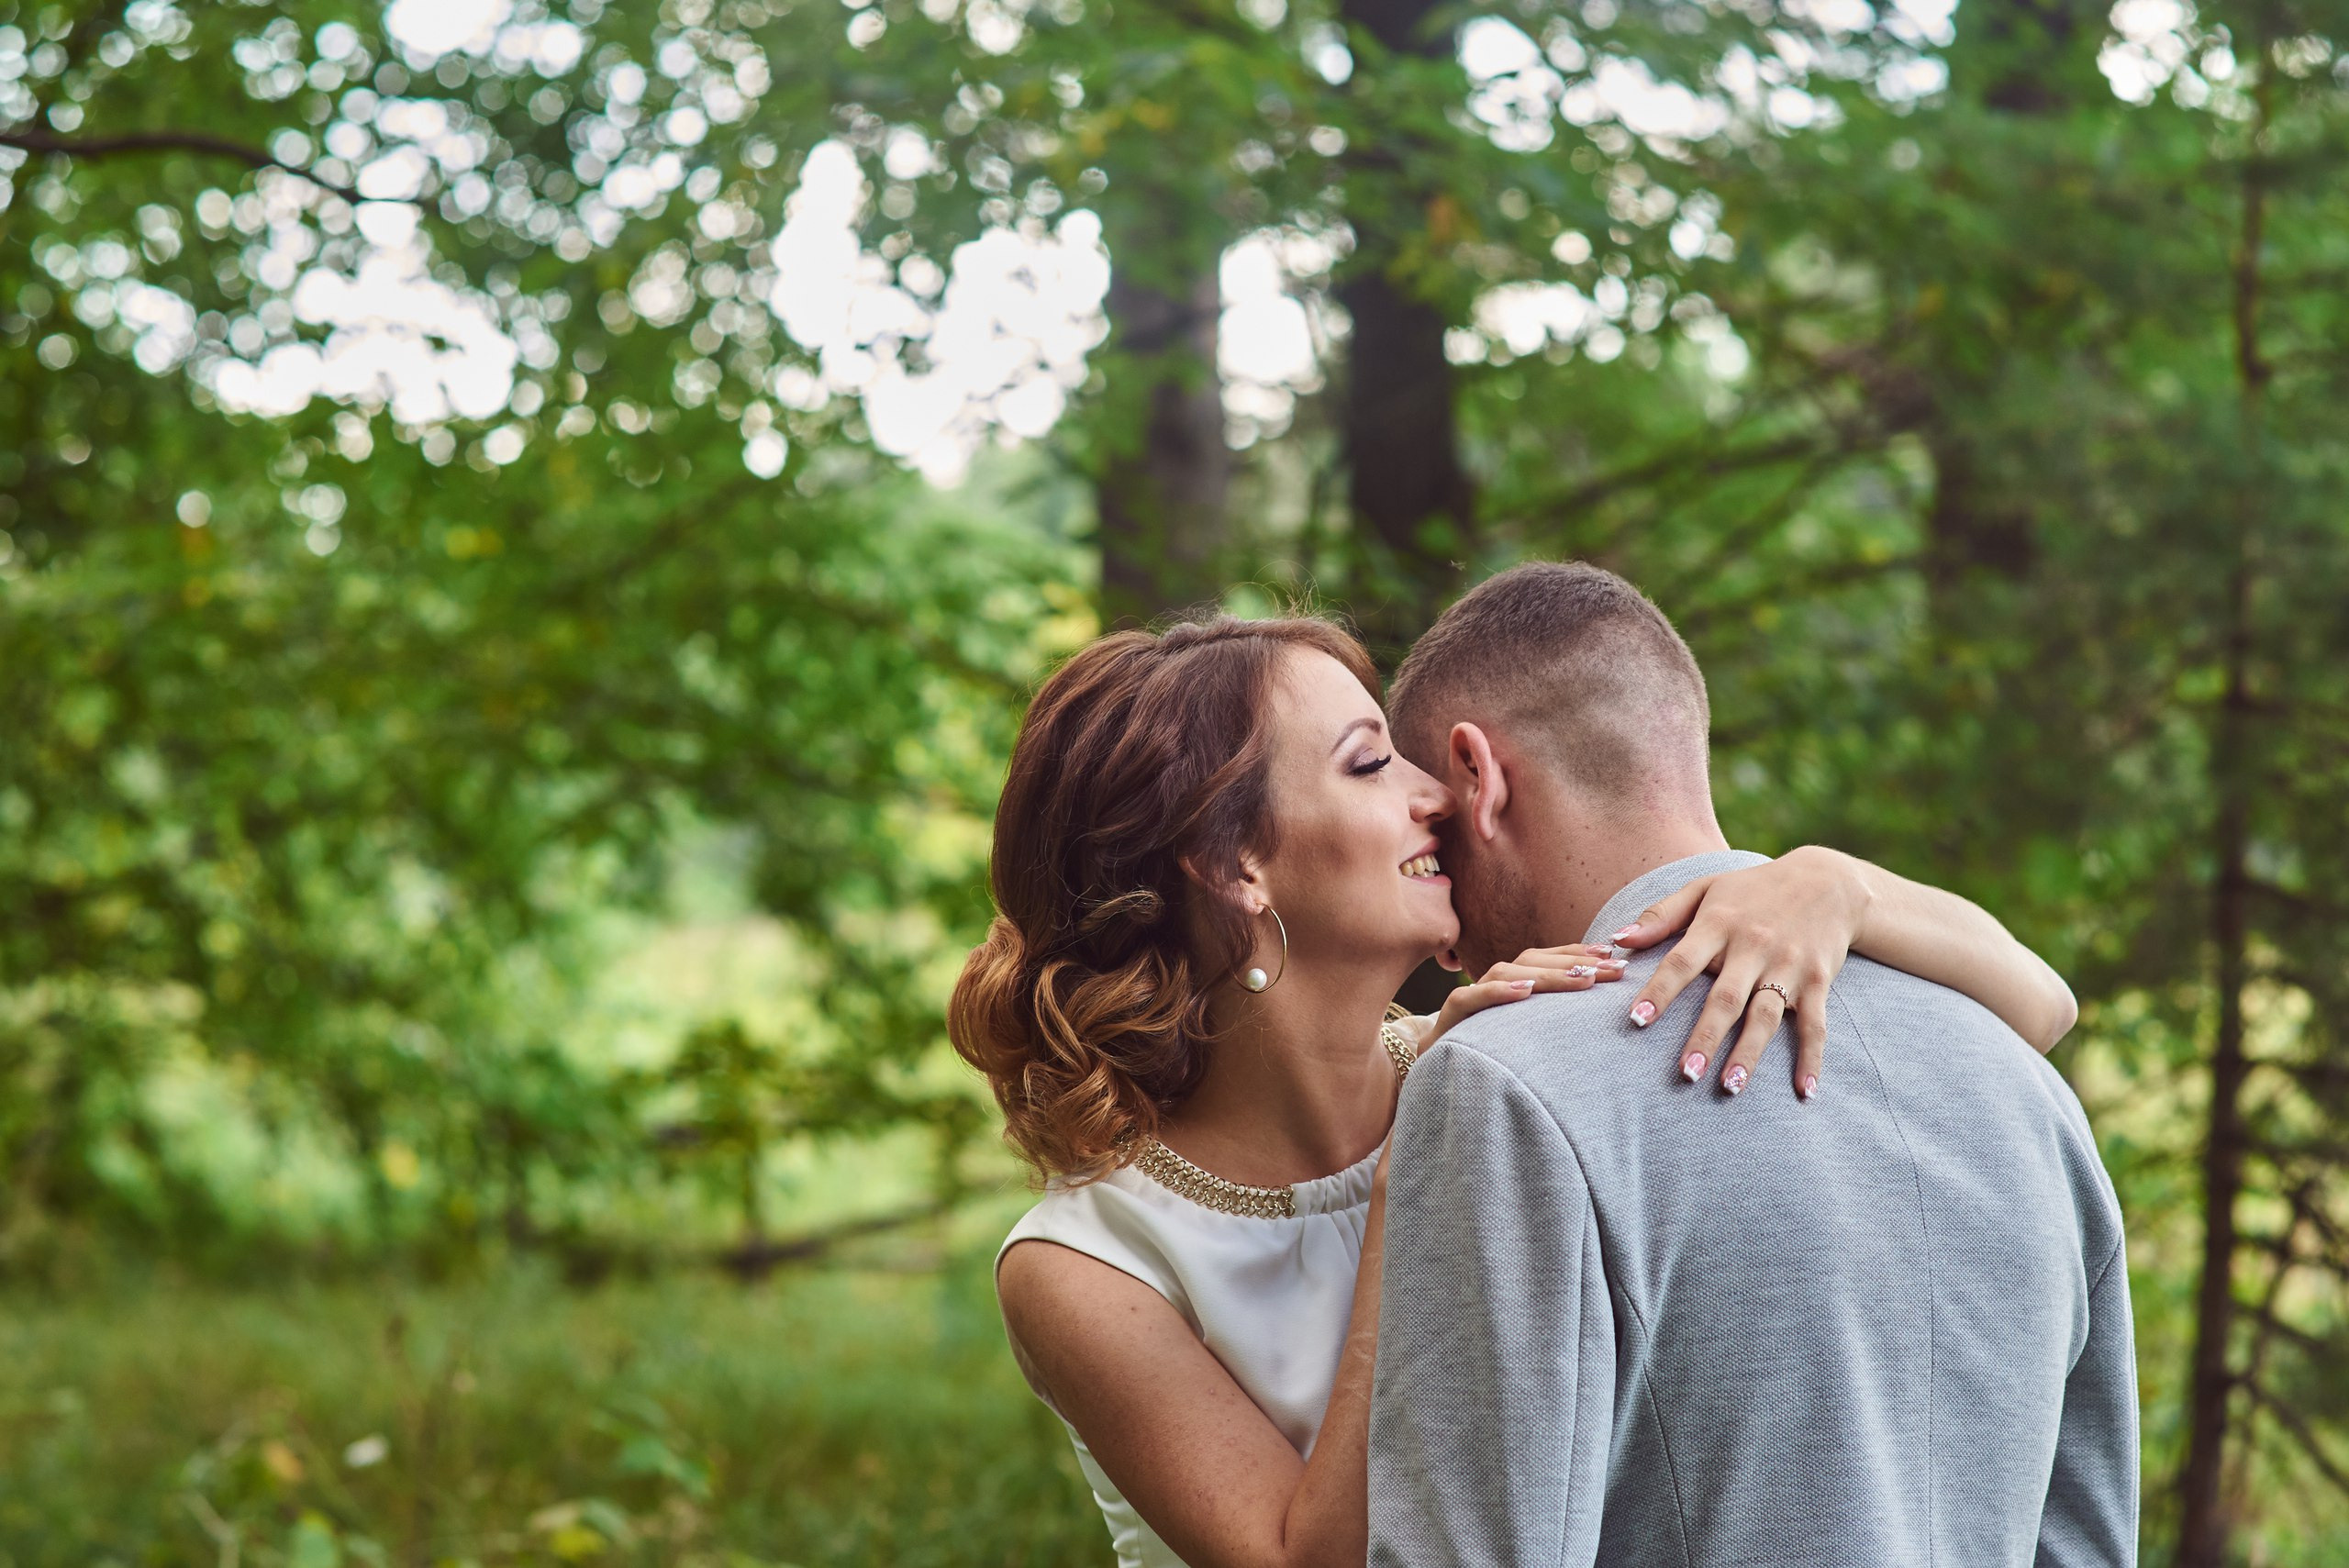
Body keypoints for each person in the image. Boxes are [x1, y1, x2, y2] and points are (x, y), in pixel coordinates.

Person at [951, 606, 2080, 1568]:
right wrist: (1420, 1172)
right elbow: (1305, 1555)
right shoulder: (1080, 1264)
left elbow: (2035, 1014)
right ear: (1232, 861)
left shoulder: (1504, 1067)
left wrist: (1833, 882)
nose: (1436, 796)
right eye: (1368, 763)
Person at [1369, 561, 2135, 1567]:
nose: (1447, 943)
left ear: (1481, 776)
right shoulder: (2025, 1084)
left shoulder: (1500, 1084)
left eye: (1436, 844)